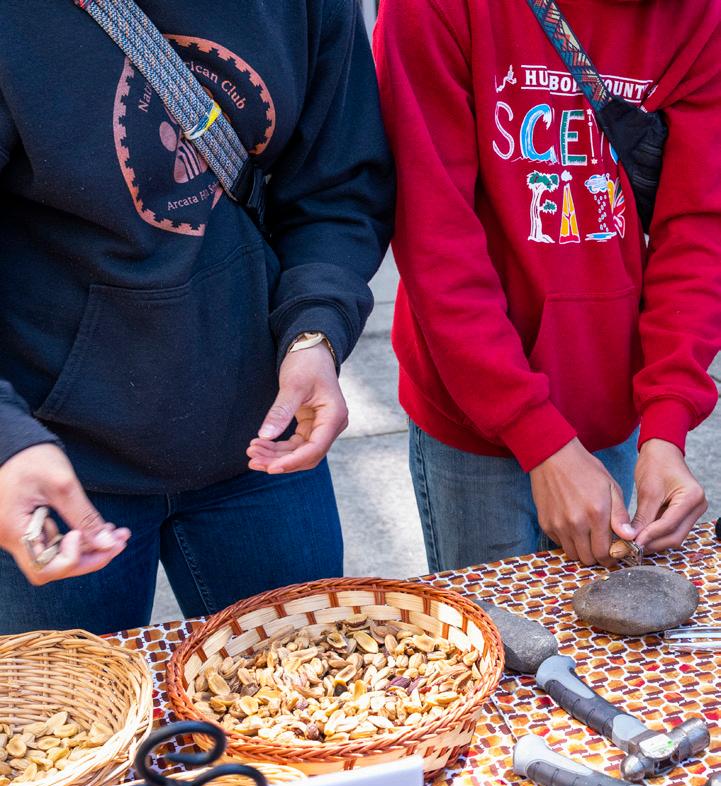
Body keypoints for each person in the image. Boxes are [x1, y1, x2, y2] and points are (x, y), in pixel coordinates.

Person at [0, 1, 394, 634]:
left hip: (262, 436)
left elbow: (338, 184)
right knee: (70, 700)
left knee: (313, 684)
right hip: (54, 455)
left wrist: (316, 330)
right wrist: (7, 443)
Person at [374, 0, 721, 570]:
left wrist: (666, 424)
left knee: (615, 622)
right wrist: (535, 434)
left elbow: (697, 231)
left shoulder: (698, 16)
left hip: (614, 403)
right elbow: (435, 237)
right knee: (495, 624)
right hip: (475, 416)